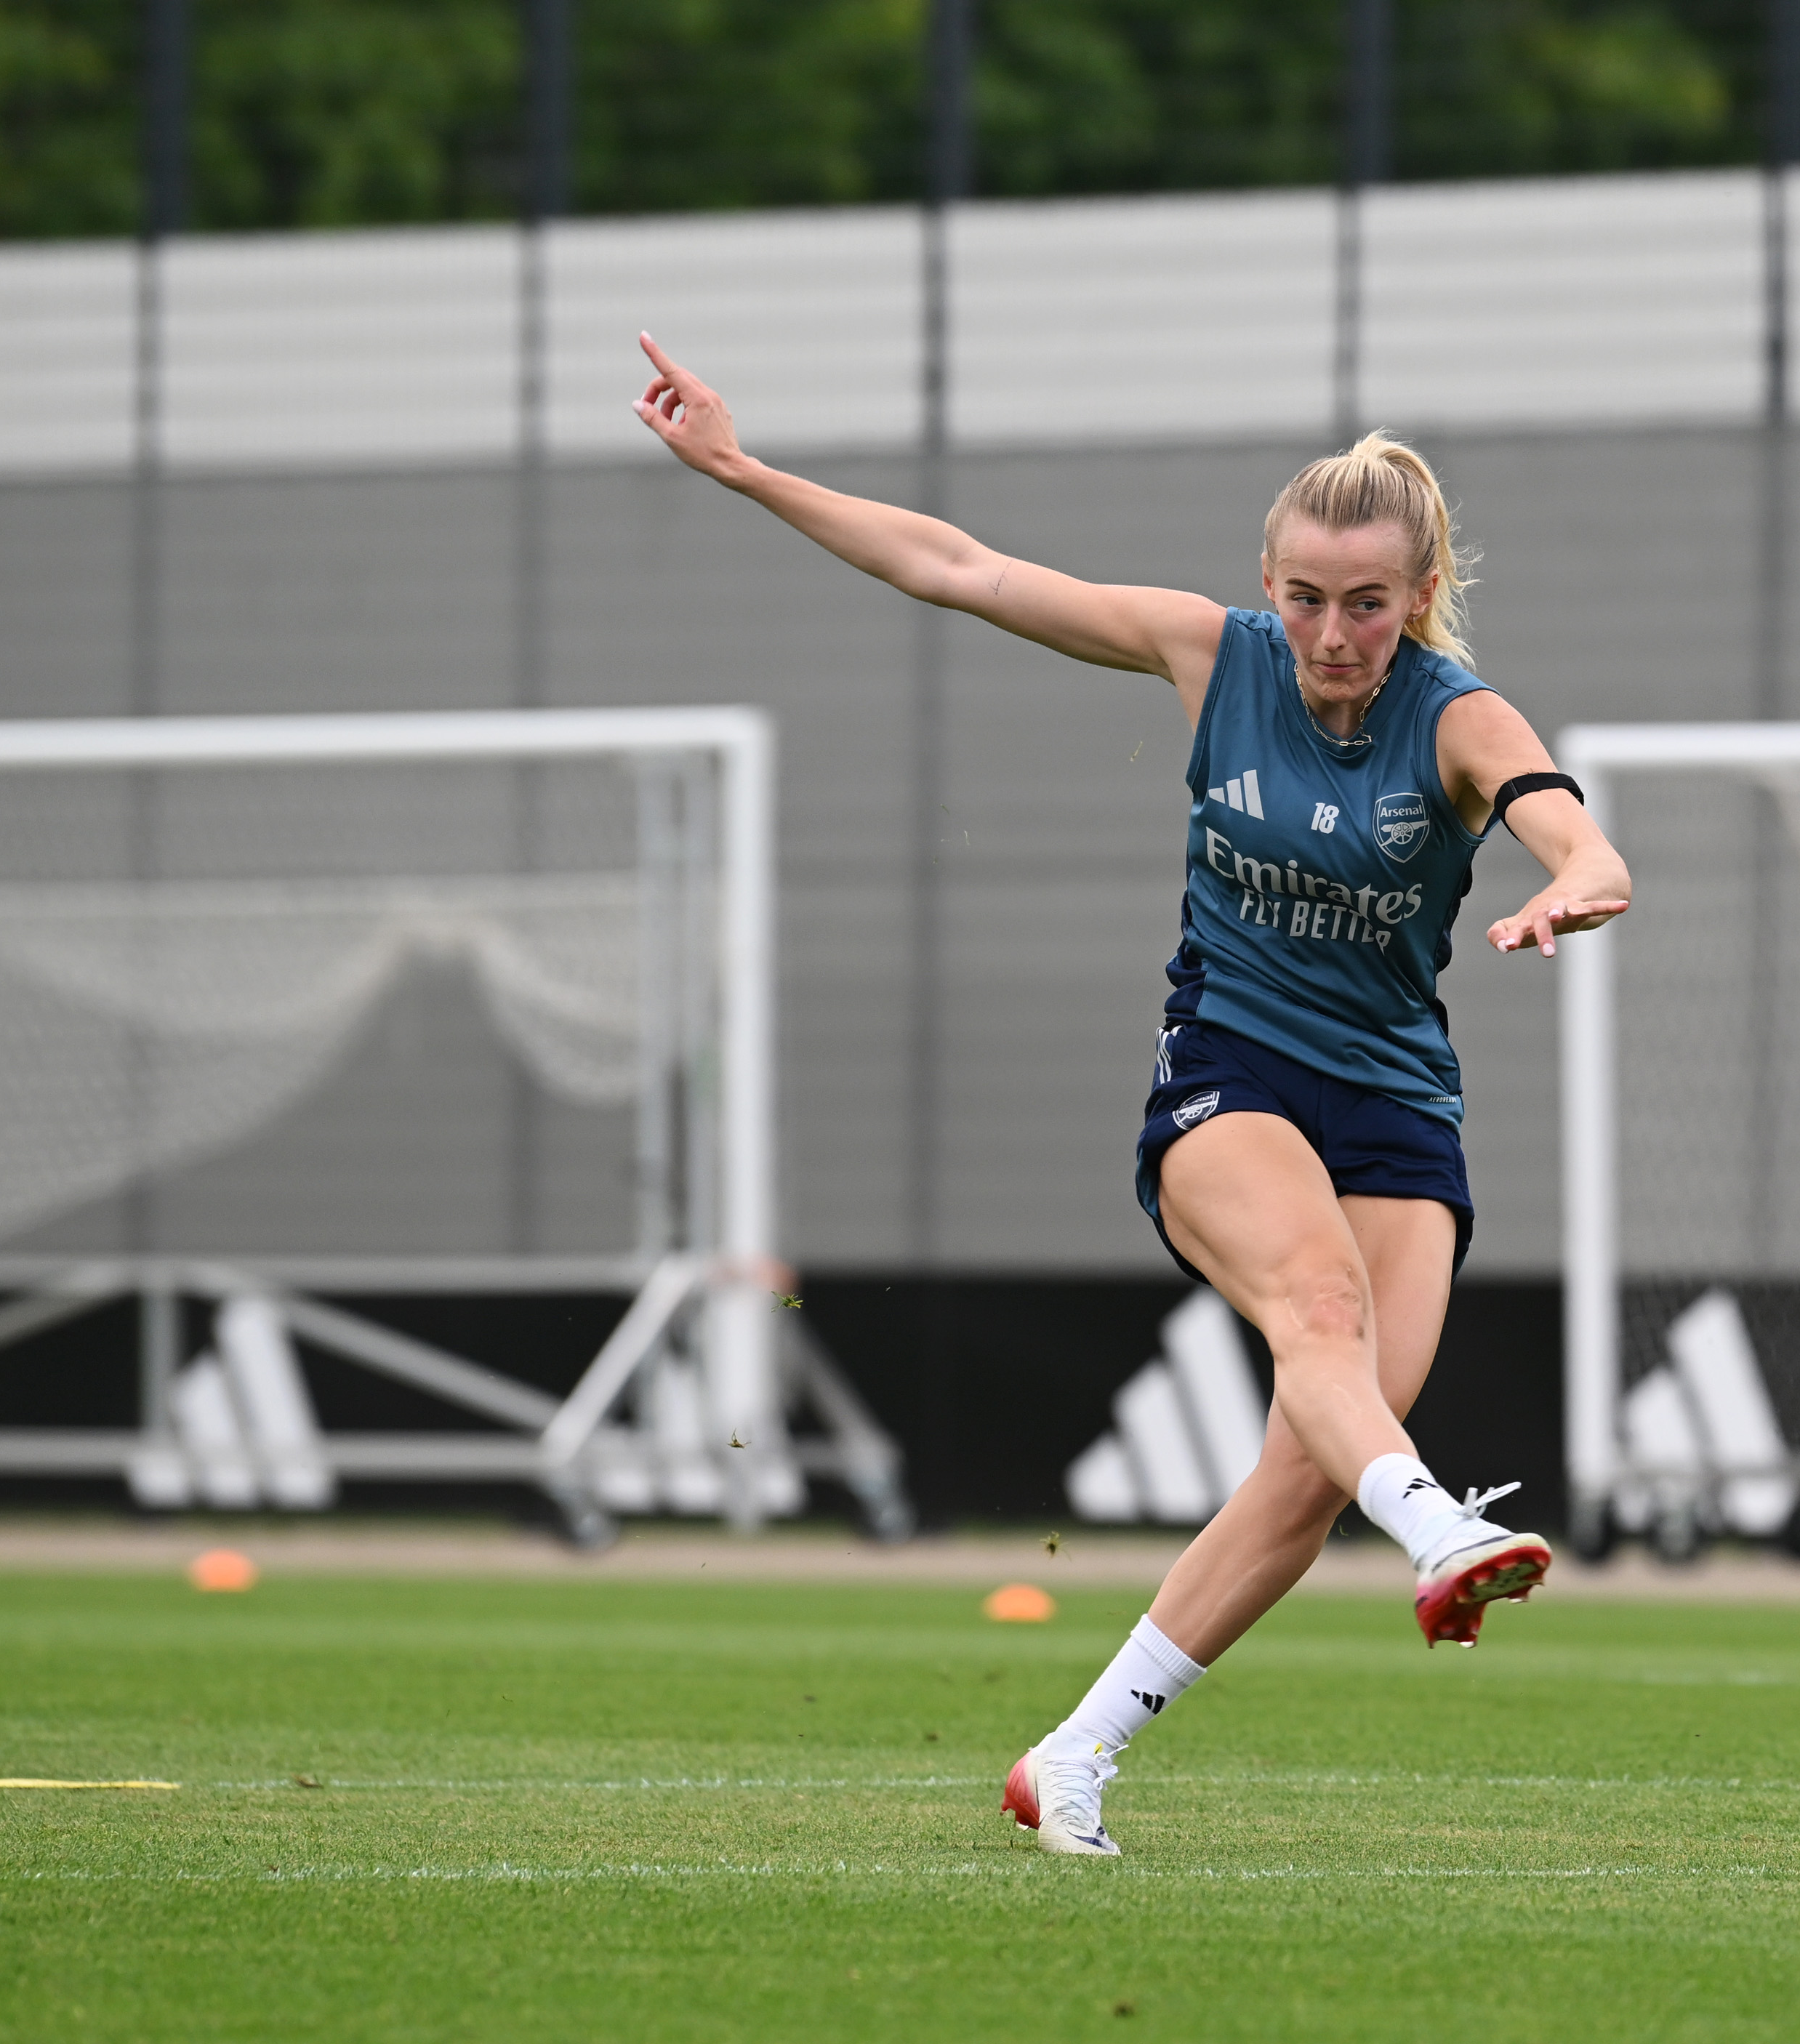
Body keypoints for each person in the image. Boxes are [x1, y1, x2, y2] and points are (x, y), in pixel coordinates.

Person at [633, 334, 1633, 1857]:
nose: (1330, 631)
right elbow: (957, 567)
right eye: (1304, 595)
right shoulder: (1208, 653)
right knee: (1322, 1319)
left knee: (1307, 1471)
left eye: (1366, 602)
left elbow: (1581, 835)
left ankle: (1073, 1752)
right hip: (1230, 1072)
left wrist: (1576, 888)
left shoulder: (1455, 718)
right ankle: (1438, 1525)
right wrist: (742, 468)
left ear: (1416, 599)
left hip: (1395, 1107)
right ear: (1268, 581)